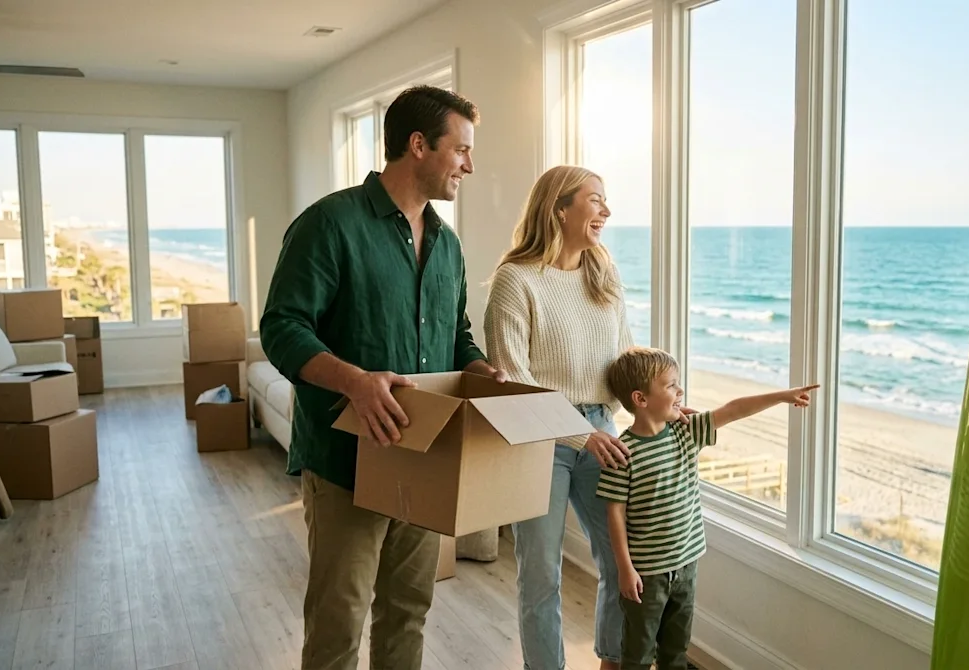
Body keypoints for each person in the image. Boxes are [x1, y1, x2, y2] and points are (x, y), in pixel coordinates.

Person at [259, 85, 506, 670]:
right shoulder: (329, 224)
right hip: (346, 463)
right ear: (418, 146)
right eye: (462, 150)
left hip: (422, 461)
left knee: (407, 614)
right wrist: (355, 381)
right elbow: (282, 327)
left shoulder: (449, 245)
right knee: (337, 626)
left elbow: (457, 333)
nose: (470, 165)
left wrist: (478, 369)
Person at [484, 165, 688, 670]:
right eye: (595, 200)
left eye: (605, 201)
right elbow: (515, 381)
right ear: (559, 208)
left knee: (625, 562)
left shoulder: (603, 270)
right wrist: (581, 434)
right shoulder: (515, 280)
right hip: (538, 439)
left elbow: (624, 362)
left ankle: (613, 662)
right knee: (541, 576)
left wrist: (666, 406)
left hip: (602, 430)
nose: (606, 211)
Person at [598, 346, 817, 670]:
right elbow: (614, 513)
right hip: (647, 575)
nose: (680, 391)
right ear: (641, 399)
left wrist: (783, 396)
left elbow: (733, 409)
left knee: (676, 650)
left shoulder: (687, 431)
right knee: (638, 654)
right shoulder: (623, 453)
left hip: (686, 564)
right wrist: (625, 569)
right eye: (671, 385)